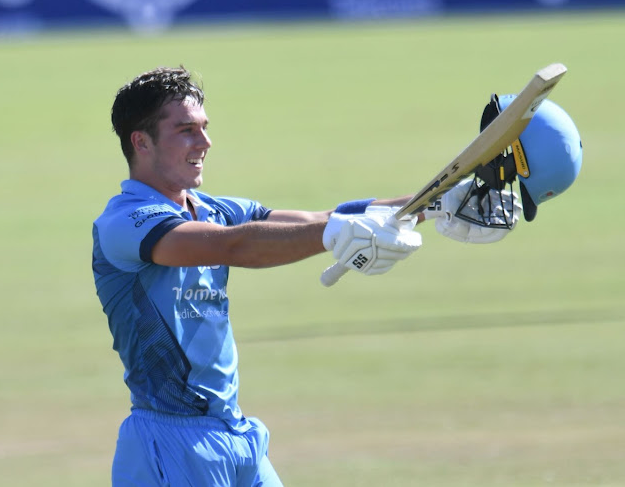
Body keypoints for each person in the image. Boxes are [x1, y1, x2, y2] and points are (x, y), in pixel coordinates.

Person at [91, 66, 576, 486]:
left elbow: (320, 217)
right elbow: (233, 246)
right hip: (169, 443)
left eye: (204, 127)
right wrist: (336, 232)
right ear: (141, 141)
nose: (205, 142)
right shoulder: (125, 222)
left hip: (235, 435)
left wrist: (436, 203)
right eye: (186, 131)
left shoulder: (213, 207)